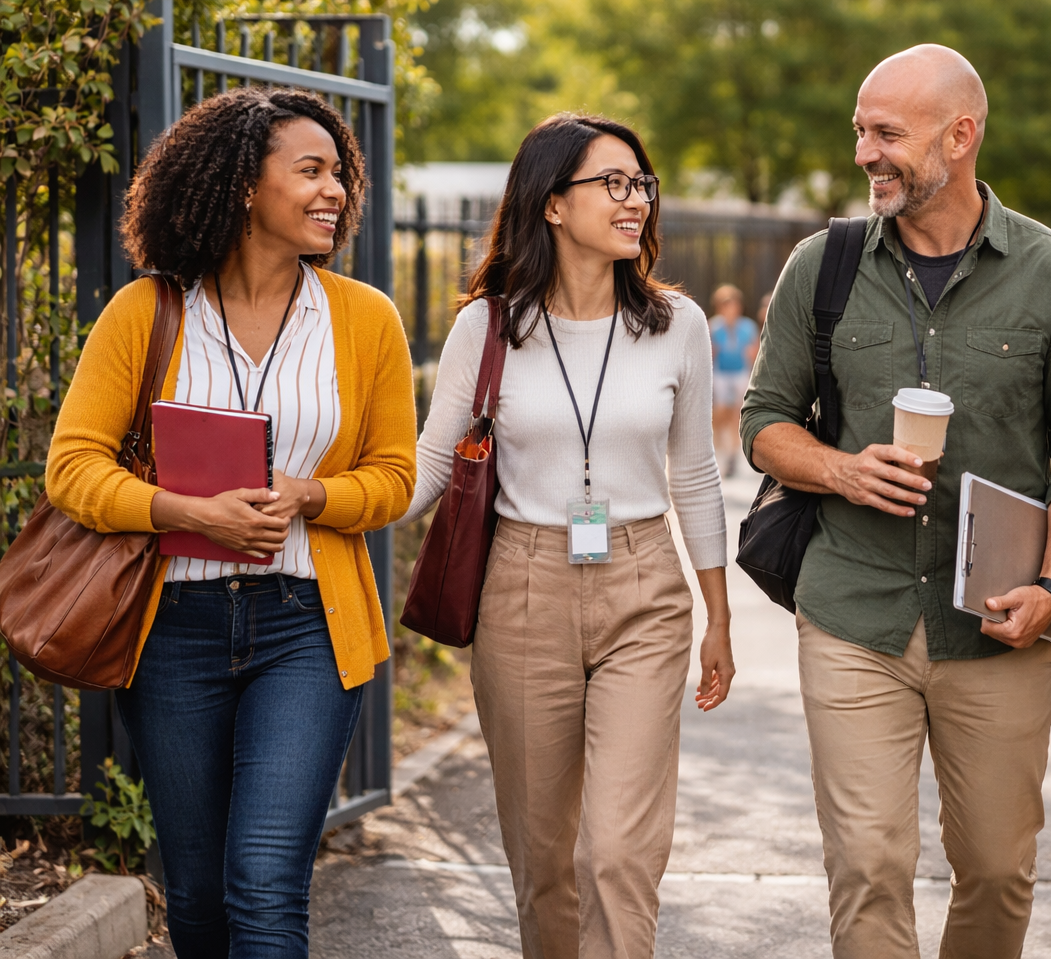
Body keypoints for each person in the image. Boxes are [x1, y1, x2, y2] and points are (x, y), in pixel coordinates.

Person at [742, 44, 1051, 958]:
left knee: (995, 867)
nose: (867, 152)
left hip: (998, 620)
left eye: (888, 133)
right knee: (868, 865)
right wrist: (839, 469)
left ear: (961, 135)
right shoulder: (820, 266)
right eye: (861, 131)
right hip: (850, 613)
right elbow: (763, 421)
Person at [46, 86, 416, 956]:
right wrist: (184, 511)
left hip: (308, 629)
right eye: (311, 171)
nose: (335, 192)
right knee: (201, 895)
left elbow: (396, 478)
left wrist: (313, 497)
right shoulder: (148, 311)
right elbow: (73, 467)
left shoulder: (365, 320)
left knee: (264, 882)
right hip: (172, 631)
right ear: (245, 186)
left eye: (340, 175)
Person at [402, 113, 733, 959]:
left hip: (643, 584)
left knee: (617, 851)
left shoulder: (677, 327)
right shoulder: (489, 328)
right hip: (521, 585)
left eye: (641, 184)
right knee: (544, 859)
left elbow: (694, 472)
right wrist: (321, 500)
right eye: (613, 184)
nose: (635, 201)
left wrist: (717, 615)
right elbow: (429, 468)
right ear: (551, 205)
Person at [708, 282, 759, 474]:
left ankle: (732, 454)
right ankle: (718, 449)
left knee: (738, 413)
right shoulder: (713, 327)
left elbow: (754, 352)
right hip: (721, 373)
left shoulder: (747, 327)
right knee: (720, 411)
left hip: (740, 373)